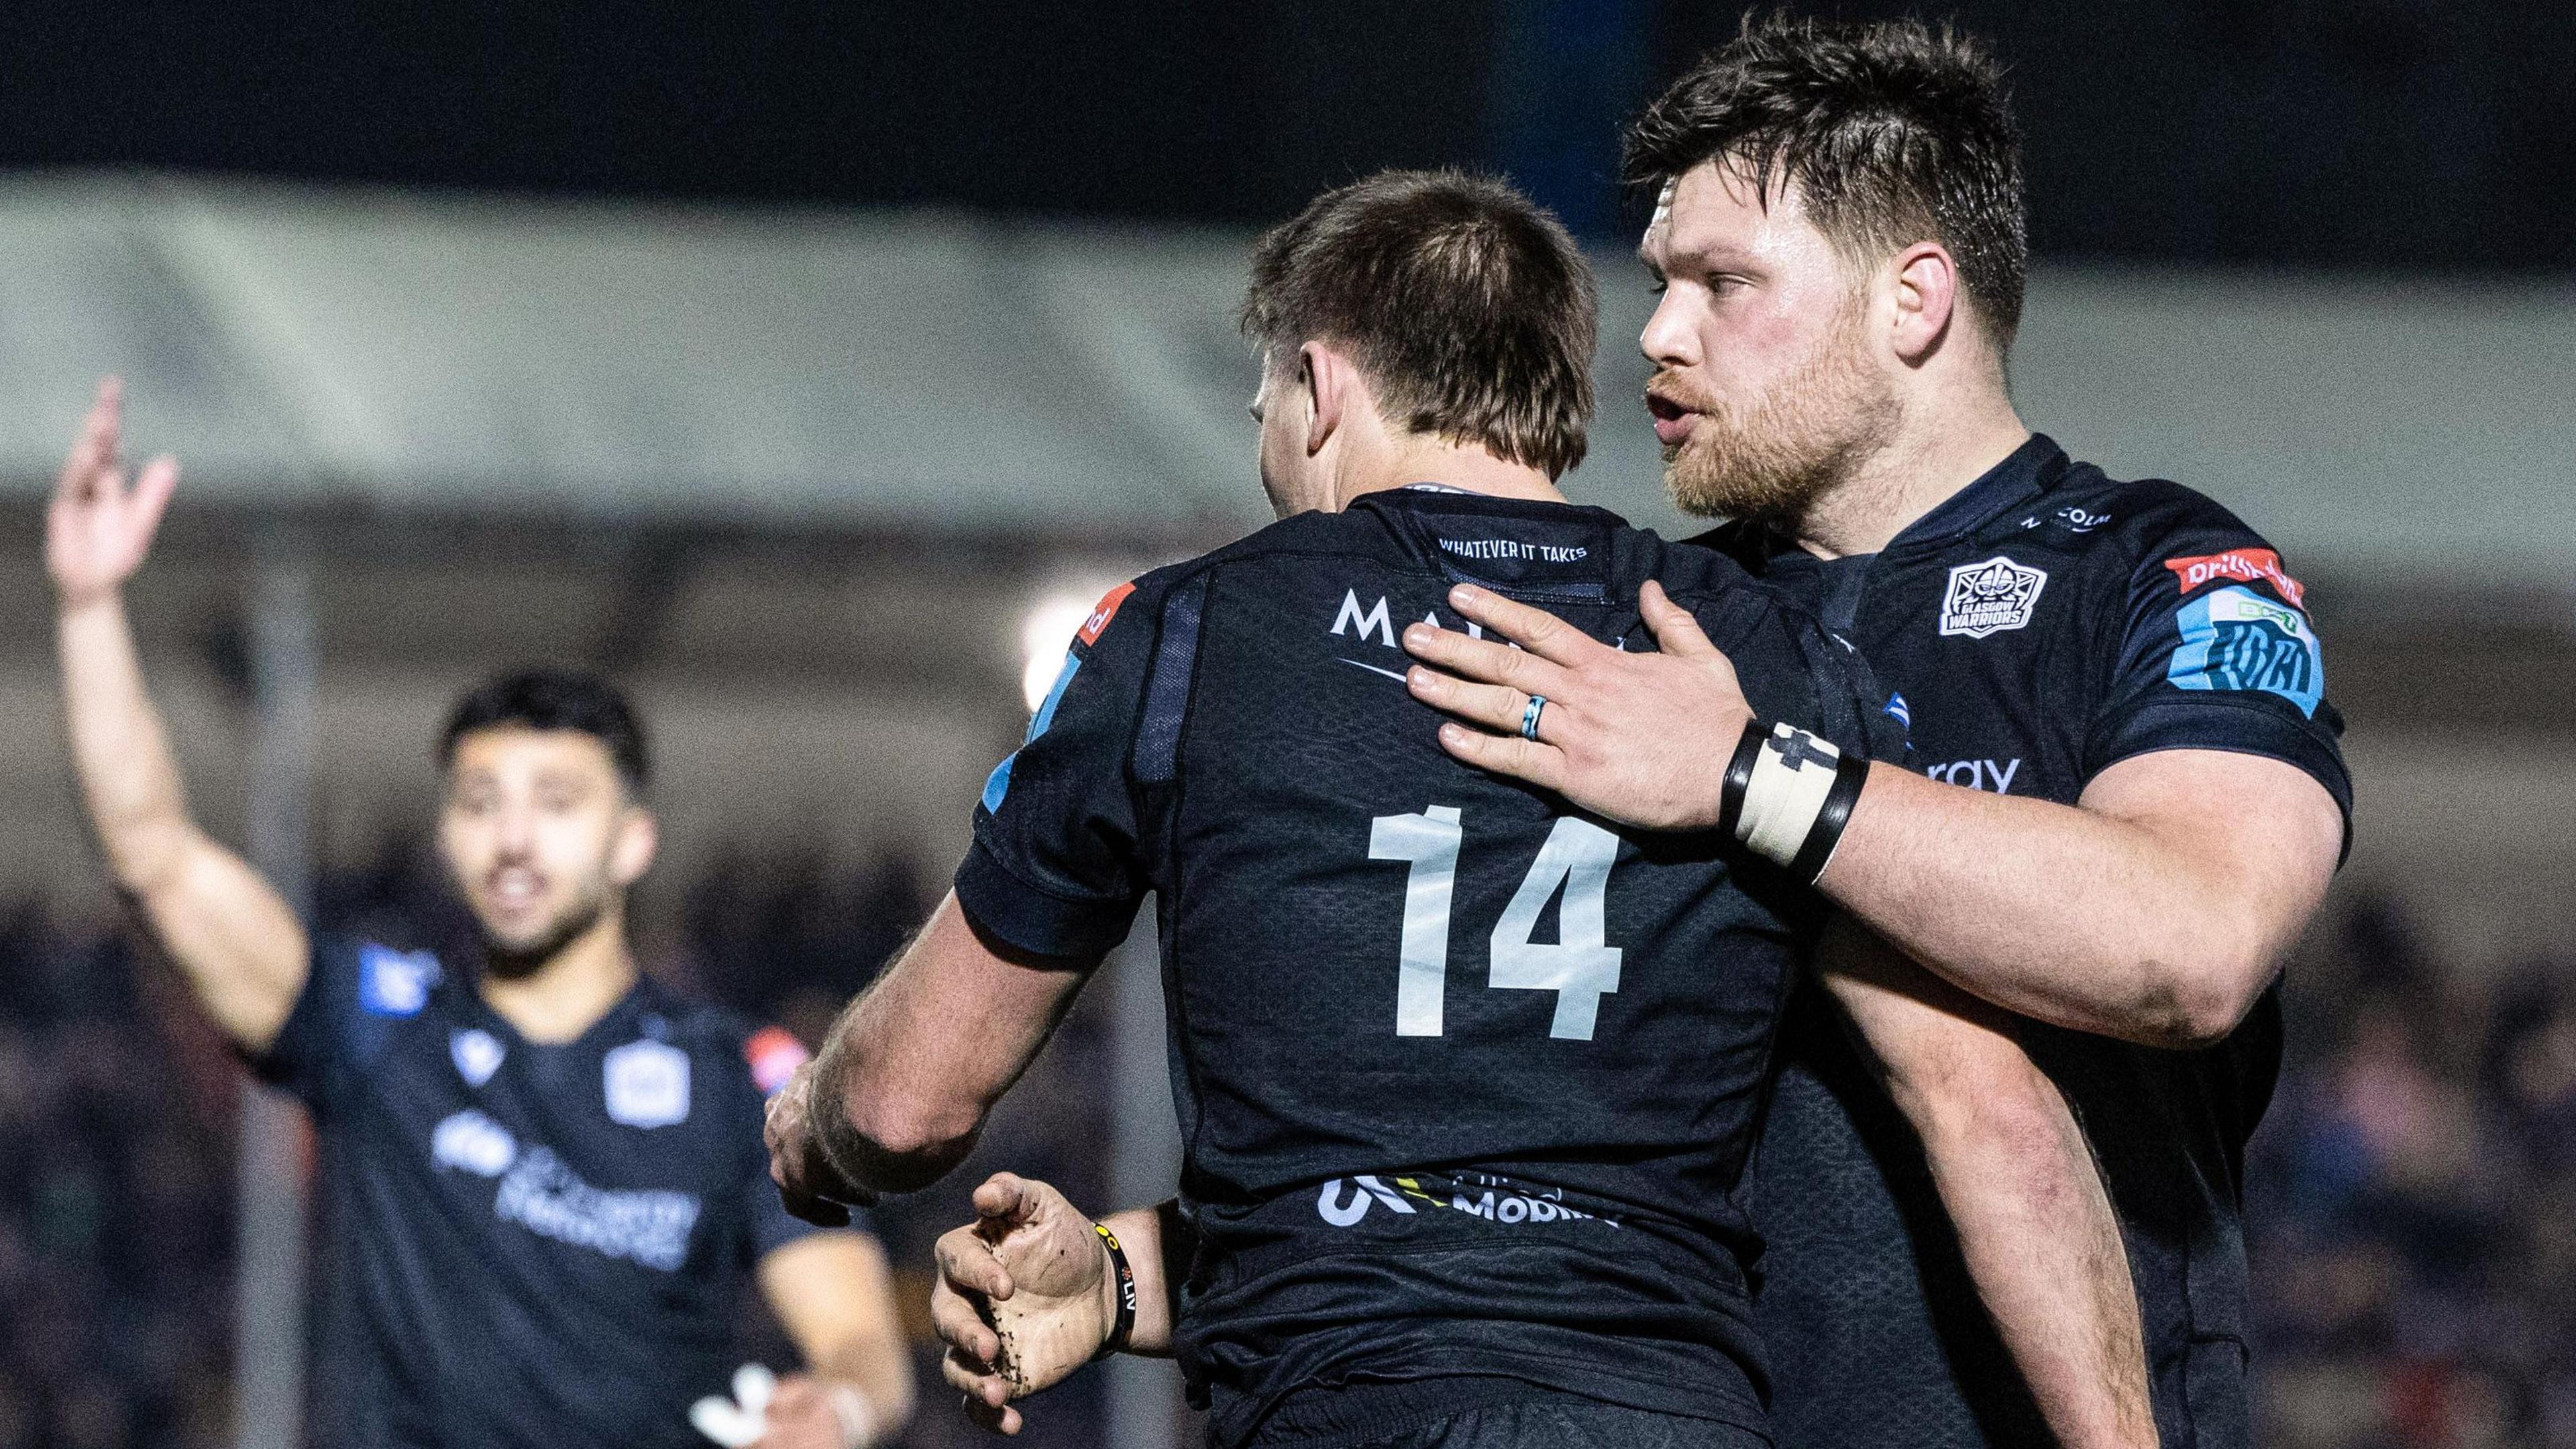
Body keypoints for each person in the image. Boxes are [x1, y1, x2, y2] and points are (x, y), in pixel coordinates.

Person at [769, 170, 2153, 1449]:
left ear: (1319, 387)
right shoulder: (1757, 657)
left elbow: (908, 1107)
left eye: (1265, 408)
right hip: (1667, 1413)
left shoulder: (1194, 635)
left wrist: (814, 1127)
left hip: (1343, 1402)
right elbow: (1991, 1112)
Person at [1395, 19, 2351, 1449]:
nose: (1657, 334)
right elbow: (1475, 1135)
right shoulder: (1641, 627)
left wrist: (1741, 774)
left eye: (1724, 284)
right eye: (1660, 284)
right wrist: (1121, 1274)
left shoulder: (2156, 571)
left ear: (1913, 302)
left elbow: (2191, 943)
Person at [46, 379, 916, 1449]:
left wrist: (838, 1405)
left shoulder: (741, 1080)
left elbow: (860, 1340)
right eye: (480, 803)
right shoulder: (380, 1029)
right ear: (449, 837)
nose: (512, 838)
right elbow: (153, 854)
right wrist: (90, 608)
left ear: (633, 840)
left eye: (556, 805)